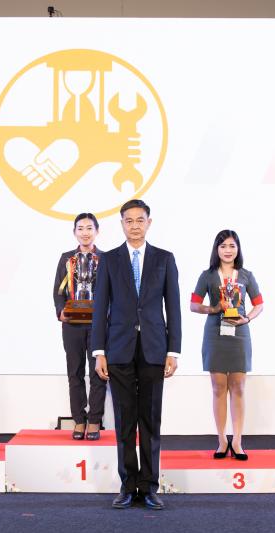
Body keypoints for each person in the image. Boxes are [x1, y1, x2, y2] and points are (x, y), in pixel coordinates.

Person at [92, 199, 181, 511]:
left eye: (139, 220)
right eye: (128, 221)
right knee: (125, 420)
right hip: (118, 349)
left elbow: (173, 307)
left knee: (151, 421)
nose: (134, 225)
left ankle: (150, 487)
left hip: (155, 349)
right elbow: (100, 307)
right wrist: (99, 351)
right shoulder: (110, 260)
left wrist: (173, 350)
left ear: (149, 223)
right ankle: (128, 486)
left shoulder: (164, 259)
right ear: (121, 224)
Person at [190, 230, 263, 459]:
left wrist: (247, 318)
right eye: (223, 246)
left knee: (239, 387)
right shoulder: (208, 275)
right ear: (216, 249)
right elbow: (193, 305)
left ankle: (238, 441)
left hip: (240, 333)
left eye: (232, 246)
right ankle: (222, 440)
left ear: (238, 249)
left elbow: (259, 304)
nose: (228, 250)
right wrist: (214, 308)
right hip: (215, 333)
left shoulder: (247, 275)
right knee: (218, 387)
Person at [52, 213, 106, 440]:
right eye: (80, 228)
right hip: (72, 324)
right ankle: (79, 420)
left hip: (98, 325)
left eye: (89, 228)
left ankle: (94, 421)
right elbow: (58, 289)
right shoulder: (66, 258)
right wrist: (60, 311)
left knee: (98, 373)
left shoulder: (106, 258)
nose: (85, 232)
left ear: (97, 231)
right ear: (74, 232)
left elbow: (111, 291)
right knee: (74, 372)